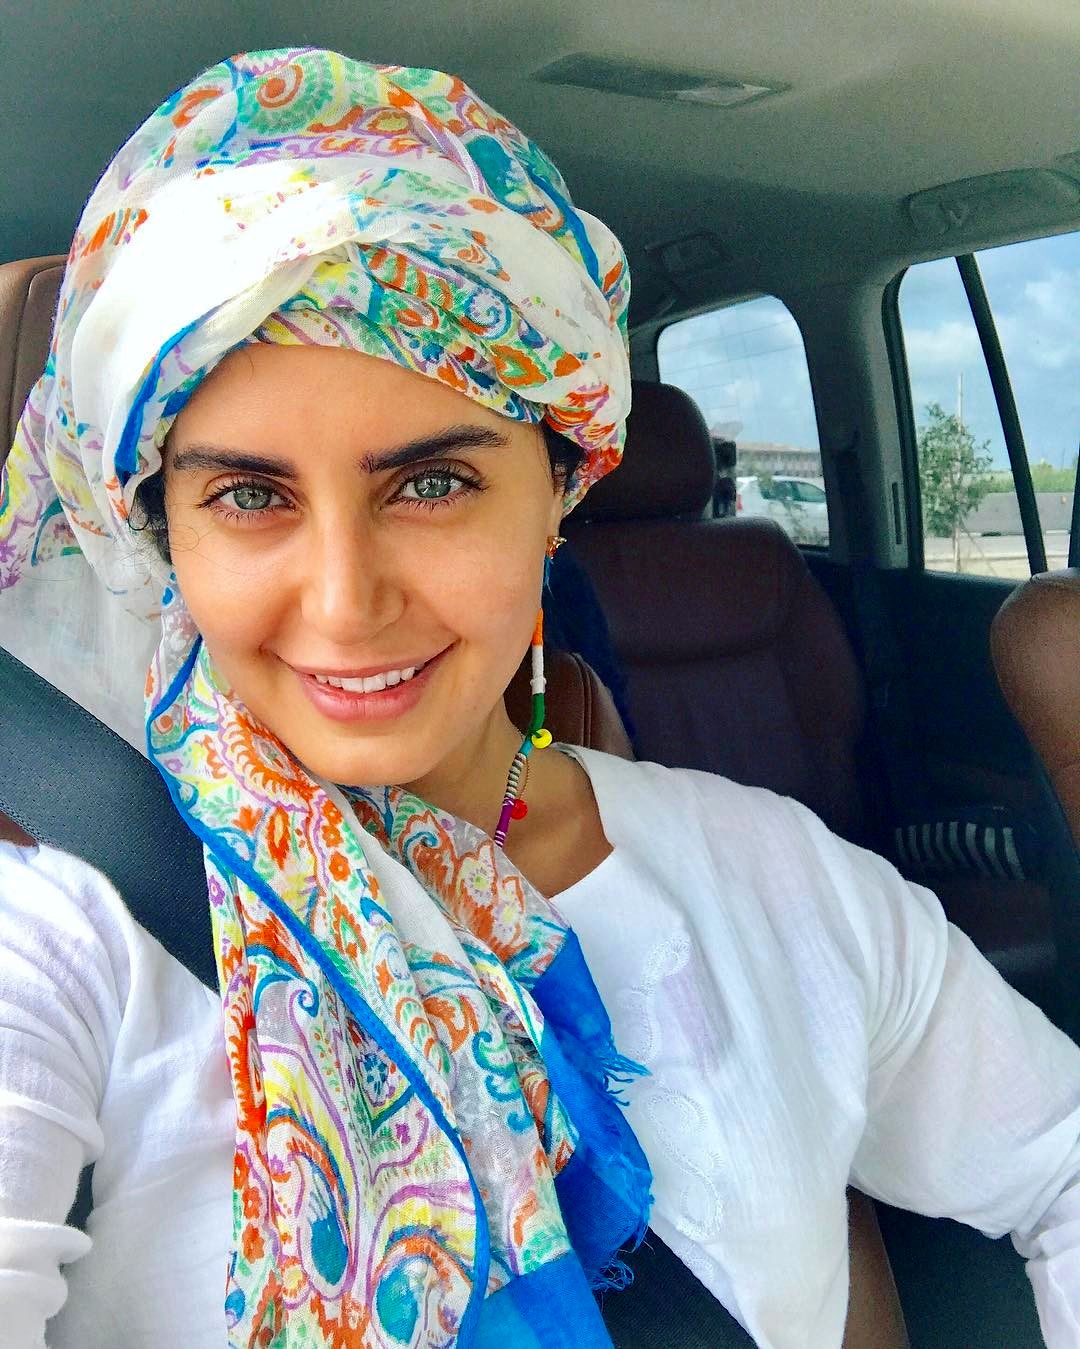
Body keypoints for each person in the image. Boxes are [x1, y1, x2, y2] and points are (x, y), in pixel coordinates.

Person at [0, 48, 1077, 1349]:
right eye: (247, 495)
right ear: (160, 531)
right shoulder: (68, 929)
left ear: (558, 492)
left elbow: (1060, 1160)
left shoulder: (779, 878)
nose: (343, 603)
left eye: (432, 484)